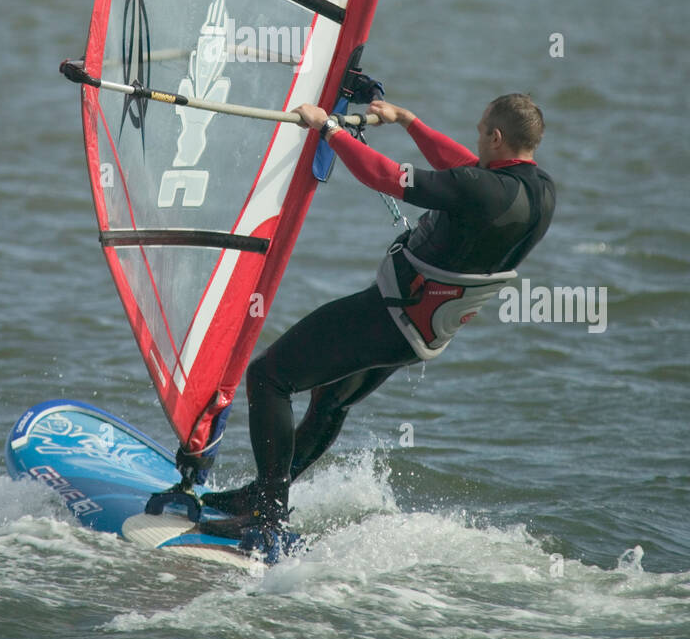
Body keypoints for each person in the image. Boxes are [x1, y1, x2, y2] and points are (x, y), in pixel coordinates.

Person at [199, 92, 556, 543]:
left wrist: (327, 130)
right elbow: (465, 169)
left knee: (269, 377)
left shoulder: (478, 188)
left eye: (482, 130)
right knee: (331, 400)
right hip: (420, 332)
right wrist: (409, 120)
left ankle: (268, 512)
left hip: (388, 313)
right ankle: (263, 496)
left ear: (497, 136)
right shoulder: (538, 191)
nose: (477, 139)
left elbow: (387, 176)